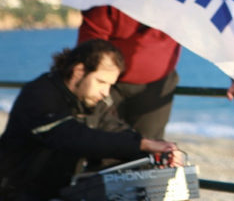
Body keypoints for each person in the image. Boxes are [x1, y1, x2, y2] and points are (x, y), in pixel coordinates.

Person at [0, 39, 183, 200]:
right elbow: (73, 137)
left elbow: (117, 132)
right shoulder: (39, 95)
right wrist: (141, 144)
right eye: (101, 82)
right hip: (19, 192)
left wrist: (161, 151)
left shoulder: (93, 102)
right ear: (79, 71)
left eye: (111, 85)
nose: (105, 92)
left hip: (63, 190)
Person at [78, 6, 234, 139]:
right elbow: (88, 48)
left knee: (147, 152)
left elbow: (215, 30)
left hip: (157, 84)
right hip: (105, 84)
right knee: (100, 145)